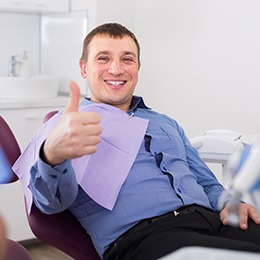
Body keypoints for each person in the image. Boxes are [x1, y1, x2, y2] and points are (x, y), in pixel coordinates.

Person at [28, 23, 260, 259]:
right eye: (103, 58)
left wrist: (230, 203)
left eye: (127, 59)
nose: (116, 69)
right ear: (84, 68)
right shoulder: (66, 127)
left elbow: (208, 183)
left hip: (215, 221)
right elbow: (51, 205)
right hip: (146, 237)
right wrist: (52, 157)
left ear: (137, 67)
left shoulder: (165, 123)